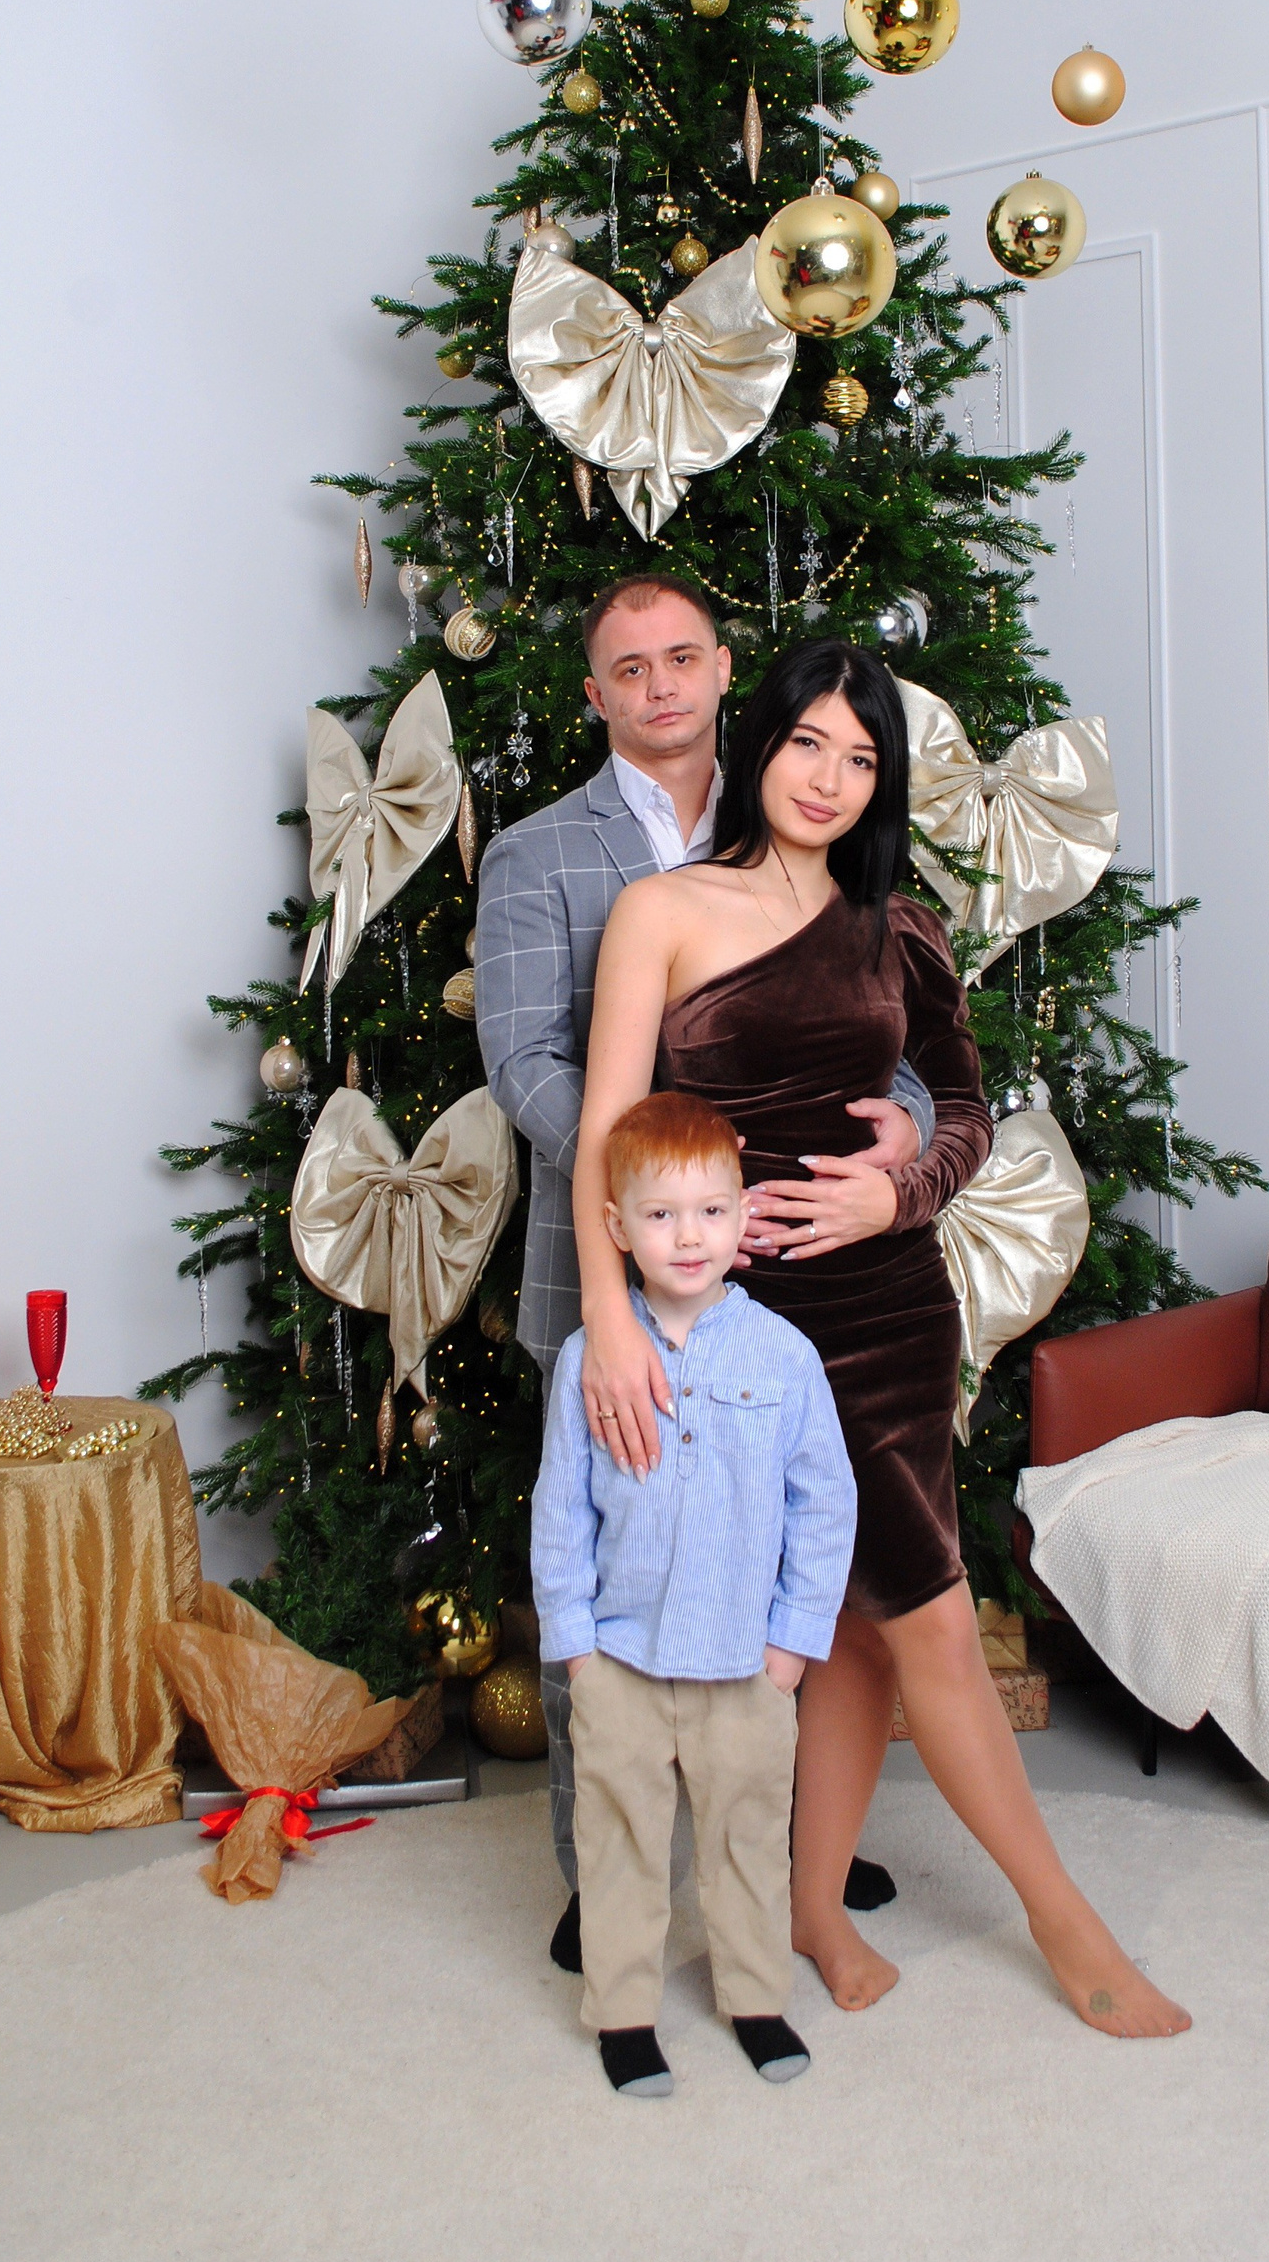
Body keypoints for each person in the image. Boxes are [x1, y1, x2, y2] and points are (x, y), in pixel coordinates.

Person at [572, 640, 1193, 2042]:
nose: (831, 780)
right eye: (810, 744)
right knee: (880, 1619)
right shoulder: (663, 912)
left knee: (895, 1624)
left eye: (863, 761)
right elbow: (607, 1134)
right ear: (762, 740)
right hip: (748, 1327)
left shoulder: (901, 927)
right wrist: (612, 1318)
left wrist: (896, 1187)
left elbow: (964, 1114)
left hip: (892, 1311)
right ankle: (1044, 1924)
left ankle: (862, 1912)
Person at [475, 573, 934, 1969]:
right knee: (616, 1563)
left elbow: (864, 1024)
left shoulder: (796, 808)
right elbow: (524, 1061)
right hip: (615, 1267)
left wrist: (910, 1123)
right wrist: (679, 1185)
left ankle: (795, 1847)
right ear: (596, 694)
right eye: (631, 668)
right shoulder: (539, 853)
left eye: (683, 657)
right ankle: (602, 1875)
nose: (661, 684)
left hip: (790, 1277)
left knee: (786, 1553)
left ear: (727, 669)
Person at [532, 1089, 856, 2096]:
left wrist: (793, 1643)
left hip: (744, 1662)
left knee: (747, 1838)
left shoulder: (784, 1357)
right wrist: (577, 1648)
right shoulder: (589, 1362)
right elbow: (560, 1509)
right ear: (616, 1227)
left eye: (712, 1212)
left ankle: (755, 2001)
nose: (688, 1237)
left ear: (742, 1216)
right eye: (662, 1215)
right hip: (621, 1658)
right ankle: (623, 2015)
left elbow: (824, 1504)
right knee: (620, 1842)